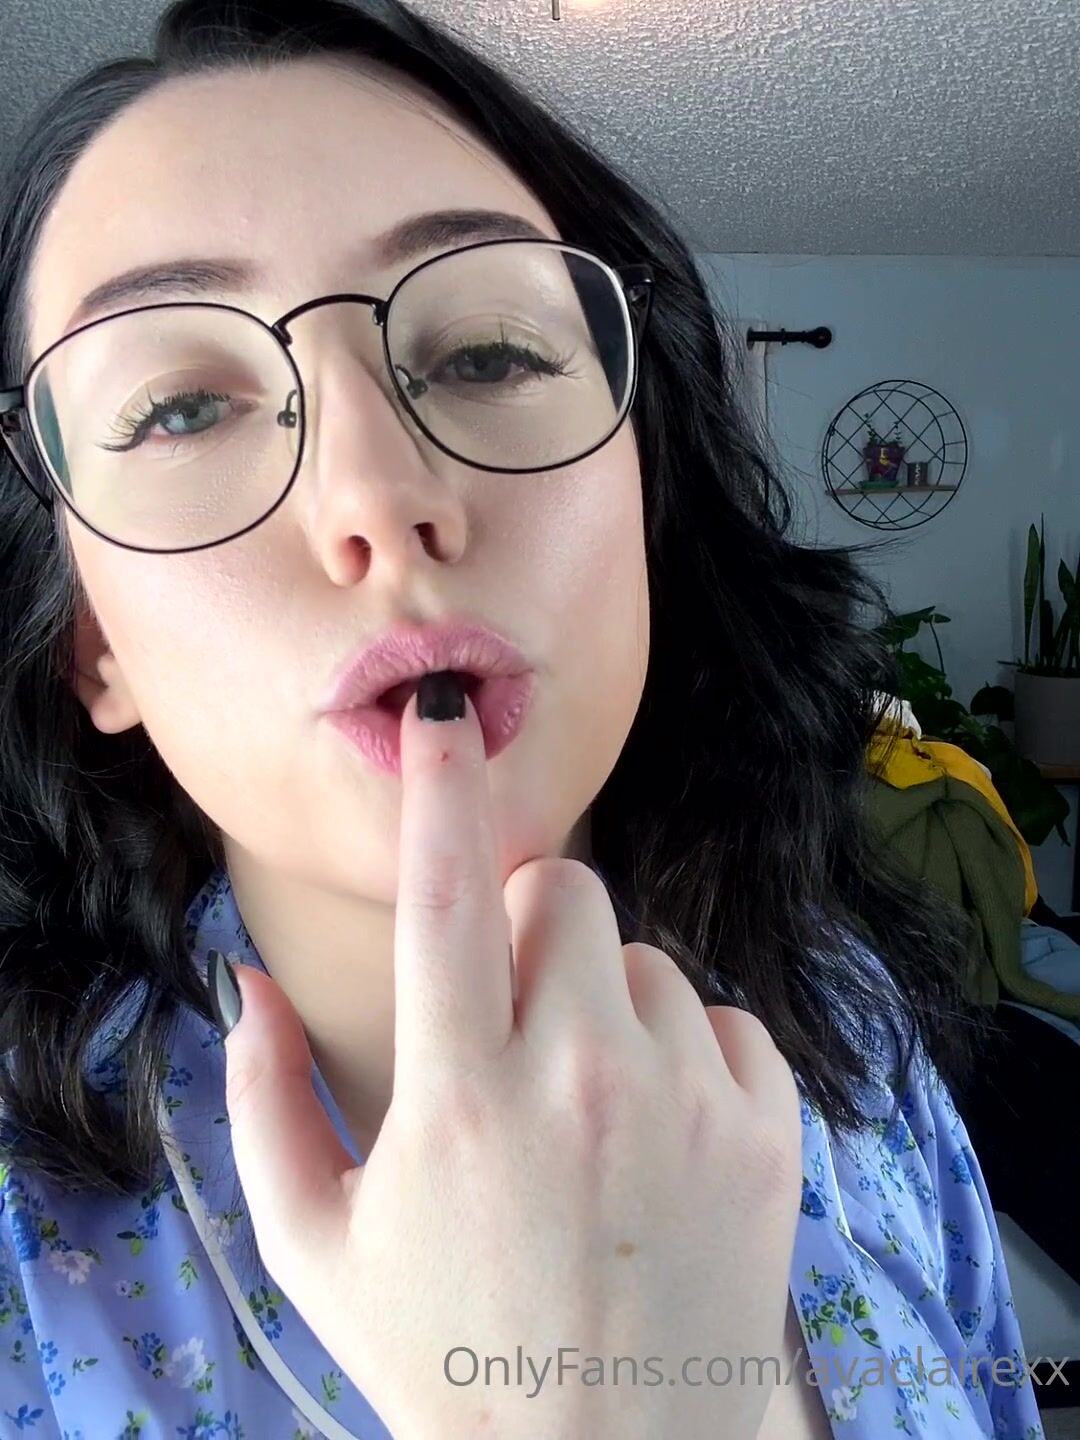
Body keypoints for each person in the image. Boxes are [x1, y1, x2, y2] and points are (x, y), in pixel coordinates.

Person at [0, 1, 1044, 1436]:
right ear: (91, 643)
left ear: (642, 502)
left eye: (489, 354)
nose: (379, 497)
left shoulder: (848, 1030)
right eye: (181, 409)